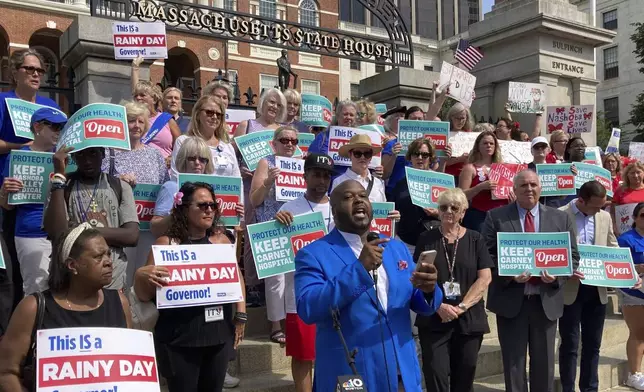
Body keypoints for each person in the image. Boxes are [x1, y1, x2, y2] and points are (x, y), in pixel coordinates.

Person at [294, 179, 442, 392]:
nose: (358, 200)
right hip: (351, 371)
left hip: (401, 370)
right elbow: (308, 308)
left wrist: (428, 291)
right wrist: (359, 269)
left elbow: (416, 301)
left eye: (362, 196)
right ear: (334, 212)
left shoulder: (395, 247)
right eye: (348, 197)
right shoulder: (313, 254)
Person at [134, 182, 246, 392]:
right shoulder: (165, 244)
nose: (209, 210)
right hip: (178, 340)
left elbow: (236, 278)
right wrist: (142, 276)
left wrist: (241, 314)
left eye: (213, 205)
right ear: (184, 208)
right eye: (203, 205)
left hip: (218, 336)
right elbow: (144, 295)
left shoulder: (222, 242)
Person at [482, 169, 580, 392]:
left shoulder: (560, 218)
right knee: (513, 363)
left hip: (545, 301)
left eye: (533, 185)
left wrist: (558, 275)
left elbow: (573, 256)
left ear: (540, 188)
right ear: (514, 189)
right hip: (510, 300)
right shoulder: (496, 217)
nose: (529, 189)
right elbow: (485, 255)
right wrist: (508, 274)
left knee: (544, 364)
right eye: (524, 185)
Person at [0, 224, 131, 390]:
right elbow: (6, 373)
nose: (108, 262)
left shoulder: (120, 302)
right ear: (72, 265)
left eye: (108, 254)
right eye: (98, 256)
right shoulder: (33, 308)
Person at [414, 188, 493, 392]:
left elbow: (485, 278)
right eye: (443, 207)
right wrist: (438, 305)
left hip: (468, 319)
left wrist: (461, 307)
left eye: (454, 207)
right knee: (436, 376)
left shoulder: (476, 239)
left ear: (463, 212)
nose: (449, 211)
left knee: (464, 380)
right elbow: (417, 279)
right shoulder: (426, 238)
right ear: (438, 211)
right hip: (434, 318)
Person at [0, 48, 61, 304]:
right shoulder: (2, 101)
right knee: (11, 263)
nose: (36, 74)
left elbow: (61, 142)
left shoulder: (51, 106)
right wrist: (24, 148)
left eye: (40, 70)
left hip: (42, 192)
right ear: (15, 72)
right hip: (9, 185)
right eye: (30, 69)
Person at [558, 181, 630, 392]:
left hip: (596, 289)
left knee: (593, 345)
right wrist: (565, 271)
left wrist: (628, 273)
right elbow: (554, 250)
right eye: (596, 206)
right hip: (570, 289)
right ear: (581, 200)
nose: (600, 209)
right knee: (570, 345)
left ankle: (590, 388)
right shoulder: (560, 215)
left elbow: (612, 248)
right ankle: (568, 388)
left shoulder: (604, 217)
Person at [273, 152, 335, 392]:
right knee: (302, 356)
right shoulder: (289, 208)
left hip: (335, 292)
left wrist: (388, 220)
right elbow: (274, 245)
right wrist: (276, 223)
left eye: (326, 176)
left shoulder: (340, 206)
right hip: (301, 296)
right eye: (316, 174)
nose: (321, 180)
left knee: (333, 352)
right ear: (305, 176)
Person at [43, 146, 140, 290]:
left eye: (93, 153)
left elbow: (132, 236)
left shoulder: (120, 186)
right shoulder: (62, 185)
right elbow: (57, 233)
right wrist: (59, 175)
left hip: (112, 278)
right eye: (80, 154)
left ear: (102, 154)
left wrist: (78, 229)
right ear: (73, 157)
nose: (87, 160)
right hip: (73, 277)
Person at [0, 107, 66, 295]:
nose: (58, 131)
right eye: (54, 126)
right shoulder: (18, 157)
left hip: (62, 232)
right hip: (31, 232)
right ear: (37, 127)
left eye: (61, 127)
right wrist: (5, 192)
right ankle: (34, 324)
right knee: (37, 288)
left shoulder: (63, 157)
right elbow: (7, 205)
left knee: (64, 287)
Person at [249, 126, 299, 344]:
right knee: (276, 280)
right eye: (284, 140)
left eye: (293, 141)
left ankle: (293, 323)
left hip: (296, 225)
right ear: (274, 143)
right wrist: (268, 182)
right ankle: (276, 325)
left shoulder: (301, 163)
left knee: (294, 278)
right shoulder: (265, 162)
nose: (289, 144)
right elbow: (254, 200)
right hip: (272, 225)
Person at [170, 95, 241, 180]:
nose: (214, 117)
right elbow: (176, 176)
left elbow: (237, 181)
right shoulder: (183, 141)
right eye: (209, 112)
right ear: (198, 114)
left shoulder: (228, 147)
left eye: (218, 114)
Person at [391, 138, 442, 254]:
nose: (419, 158)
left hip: (432, 241)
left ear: (430, 158)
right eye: (415, 154)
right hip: (406, 243)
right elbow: (394, 210)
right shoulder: (401, 183)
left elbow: (454, 214)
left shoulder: (440, 181)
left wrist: (437, 213)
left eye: (424, 155)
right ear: (410, 157)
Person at [101, 101, 167, 186]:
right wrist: (117, 181)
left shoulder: (155, 154)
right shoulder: (107, 153)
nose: (137, 125)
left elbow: (165, 186)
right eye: (132, 121)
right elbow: (99, 183)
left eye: (141, 122)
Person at [617, 202, 644, 390]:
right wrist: (638, 267)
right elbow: (619, 266)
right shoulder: (626, 239)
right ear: (634, 218)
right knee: (638, 332)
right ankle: (634, 374)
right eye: (643, 215)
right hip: (633, 292)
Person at [459, 130, 507, 232]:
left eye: (491, 143)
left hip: (502, 216)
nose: (488, 146)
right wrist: (480, 187)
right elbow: (461, 196)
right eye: (485, 143)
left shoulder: (504, 168)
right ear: (478, 146)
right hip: (480, 216)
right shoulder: (470, 168)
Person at [132, 80, 181, 159]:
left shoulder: (167, 119)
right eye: (135, 96)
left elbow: (180, 147)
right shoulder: (131, 121)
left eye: (142, 95)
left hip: (164, 168)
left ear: (154, 99)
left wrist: (171, 159)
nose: (138, 98)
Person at [612, 162, 644, 236]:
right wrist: (614, 227)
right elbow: (613, 212)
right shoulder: (620, 190)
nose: (635, 176)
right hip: (625, 233)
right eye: (632, 173)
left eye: (638, 172)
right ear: (627, 175)